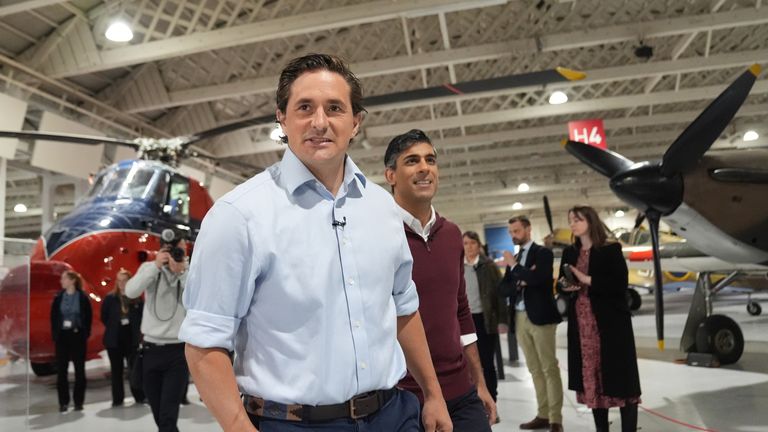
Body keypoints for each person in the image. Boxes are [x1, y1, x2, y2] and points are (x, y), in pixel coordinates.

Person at [179, 54, 452, 432]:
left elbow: (404, 308)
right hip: (292, 423)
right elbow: (204, 344)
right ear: (282, 117)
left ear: (355, 122)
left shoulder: (382, 209)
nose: (319, 122)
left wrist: (433, 394)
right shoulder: (239, 216)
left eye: (335, 108)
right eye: (304, 107)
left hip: (393, 413)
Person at [384, 129, 496, 431]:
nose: (424, 168)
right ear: (391, 175)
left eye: (430, 160)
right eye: (412, 161)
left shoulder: (451, 235)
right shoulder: (377, 233)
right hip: (401, 395)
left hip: (461, 391)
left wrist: (480, 383)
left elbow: (461, 312)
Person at [558, 206, 641, 432]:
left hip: (611, 325)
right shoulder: (569, 253)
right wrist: (568, 285)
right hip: (582, 325)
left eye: (577, 219)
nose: (572, 224)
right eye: (570, 220)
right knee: (592, 381)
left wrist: (586, 279)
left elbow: (619, 284)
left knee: (621, 381)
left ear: (590, 221)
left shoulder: (611, 249)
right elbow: (560, 284)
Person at [499, 216, 564, 432]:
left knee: (549, 368)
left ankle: (555, 419)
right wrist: (522, 276)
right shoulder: (517, 257)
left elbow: (540, 279)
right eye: (510, 232)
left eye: (516, 230)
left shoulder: (542, 253)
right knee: (535, 369)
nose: (513, 235)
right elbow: (504, 288)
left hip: (540, 317)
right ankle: (543, 414)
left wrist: (516, 268)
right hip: (519, 317)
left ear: (528, 229)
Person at [126, 236, 189, 432]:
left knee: (167, 417)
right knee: (159, 414)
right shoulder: (150, 269)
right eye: (173, 250)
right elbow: (130, 291)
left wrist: (182, 273)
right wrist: (155, 266)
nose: (177, 254)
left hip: (177, 353)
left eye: (181, 250)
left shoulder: (190, 271)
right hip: (150, 351)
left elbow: (199, 298)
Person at [462, 230, 507, 404]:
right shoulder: (458, 266)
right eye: (465, 243)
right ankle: (474, 401)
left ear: (479, 246)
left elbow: (500, 295)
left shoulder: (489, 266)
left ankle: (492, 400)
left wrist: (502, 320)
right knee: (469, 365)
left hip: (485, 320)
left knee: (487, 363)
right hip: (465, 322)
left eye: (472, 243)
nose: (469, 247)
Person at [101, 268, 145, 406]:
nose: (121, 283)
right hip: (114, 339)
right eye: (119, 280)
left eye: (124, 280)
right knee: (116, 371)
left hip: (131, 339)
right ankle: (117, 399)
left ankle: (139, 396)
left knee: (134, 369)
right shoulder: (110, 298)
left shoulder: (136, 299)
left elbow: (141, 317)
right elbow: (104, 317)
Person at [50, 270, 92, 412]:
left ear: (72, 280)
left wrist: (84, 333)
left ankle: (78, 402)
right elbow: (54, 317)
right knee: (62, 371)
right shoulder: (58, 297)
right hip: (62, 336)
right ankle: (63, 402)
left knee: (79, 370)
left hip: (77, 336)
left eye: (64, 279)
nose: (61, 281)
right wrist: (55, 334)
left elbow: (88, 317)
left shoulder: (82, 297)